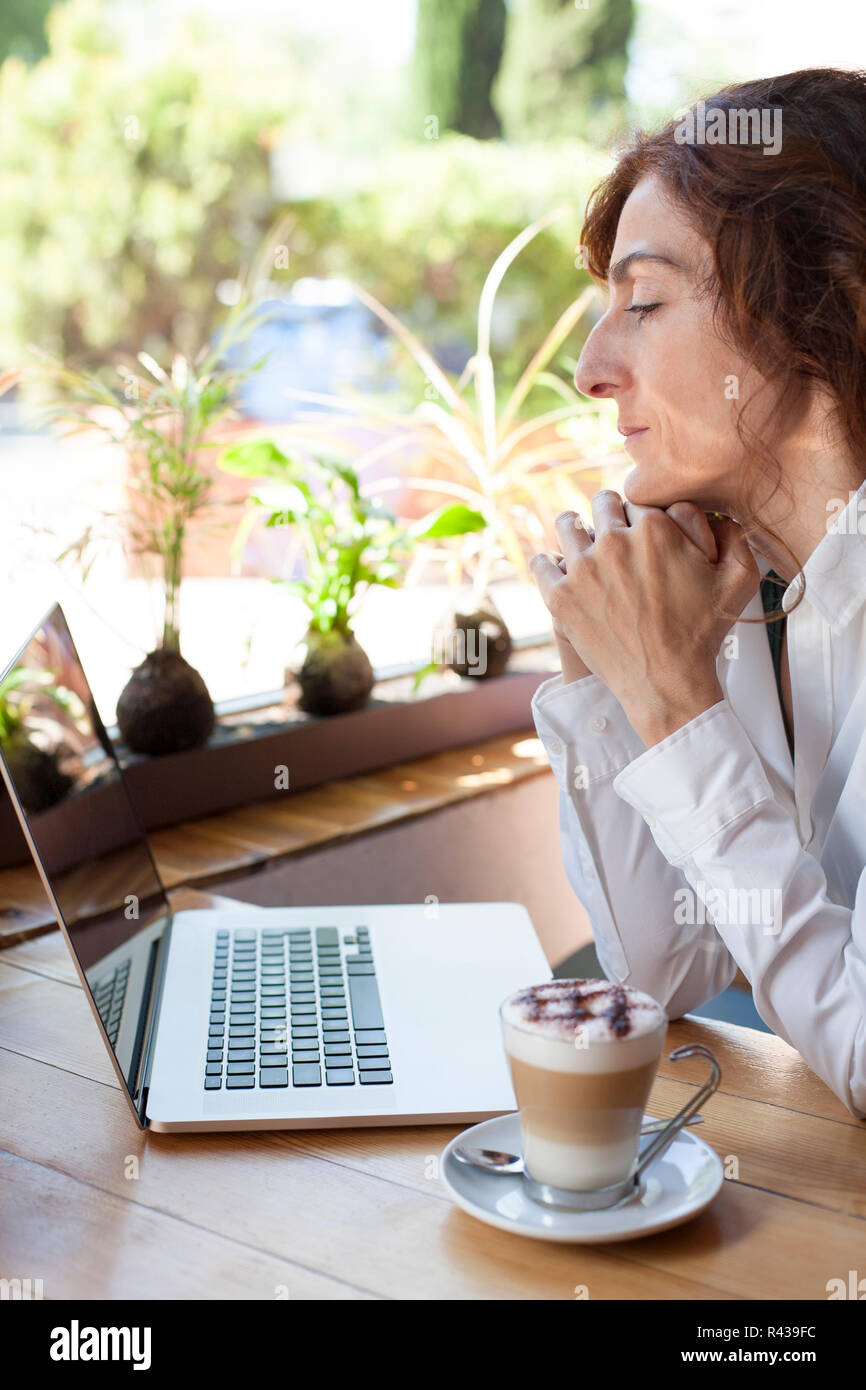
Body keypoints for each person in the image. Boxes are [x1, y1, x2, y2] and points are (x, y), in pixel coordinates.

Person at [528, 68, 866, 1118]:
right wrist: (609, 667)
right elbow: (662, 972)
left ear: (826, 308)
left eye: (644, 303)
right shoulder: (738, 590)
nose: (590, 367)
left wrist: (674, 705)